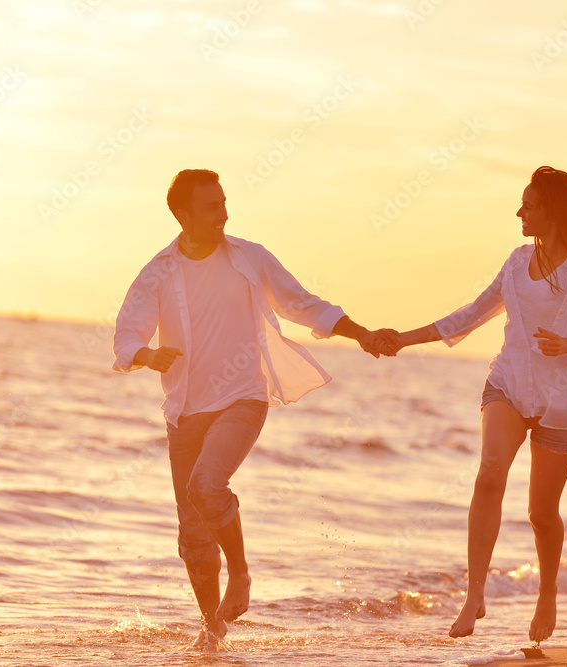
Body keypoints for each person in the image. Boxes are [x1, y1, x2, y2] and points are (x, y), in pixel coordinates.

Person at [112, 169, 397, 647]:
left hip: (243, 397)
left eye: (224, 203)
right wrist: (146, 355)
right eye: (211, 207)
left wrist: (361, 333)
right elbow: (126, 333)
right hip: (184, 410)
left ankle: (241, 575)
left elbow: (303, 304)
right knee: (191, 536)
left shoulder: (250, 258)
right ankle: (212, 630)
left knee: (208, 485)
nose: (223, 214)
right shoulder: (158, 272)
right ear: (182, 215)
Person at [377, 166, 567, 643]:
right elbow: (469, 315)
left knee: (541, 513)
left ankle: (547, 590)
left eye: (529, 205)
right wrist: (403, 340)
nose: (519, 212)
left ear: (552, 212)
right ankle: (474, 594)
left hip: (562, 400)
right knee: (490, 472)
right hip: (509, 385)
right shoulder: (516, 264)